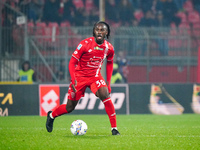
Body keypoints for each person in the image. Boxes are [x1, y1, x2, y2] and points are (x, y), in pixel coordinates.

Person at [46, 21, 120, 135]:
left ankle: (114, 129)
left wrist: (108, 84)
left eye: (102, 30)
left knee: (105, 95)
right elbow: (72, 63)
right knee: (69, 107)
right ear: (94, 32)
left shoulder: (109, 48)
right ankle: (51, 115)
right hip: (79, 77)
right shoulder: (84, 44)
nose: (99, 32)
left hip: (95, 77)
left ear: (106, 32)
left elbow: (109, 64)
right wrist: (73, 79)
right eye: (97, 30)